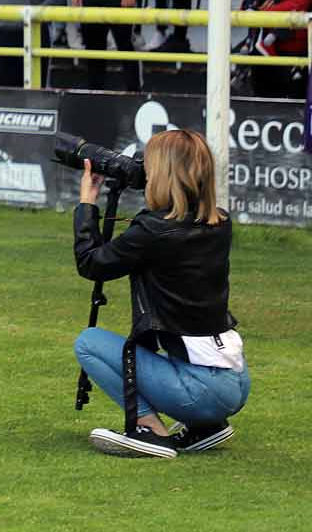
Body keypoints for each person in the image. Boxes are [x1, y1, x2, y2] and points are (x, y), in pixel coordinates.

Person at [73, 129, 250, 459]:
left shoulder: (154, 231)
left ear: (163, 174)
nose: (143, 170)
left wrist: (86, 204)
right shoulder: (219, 222)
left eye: (148, 165)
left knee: (89, 343)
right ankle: (205, 426)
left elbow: (92, 264)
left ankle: (150, 429)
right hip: (237, 381)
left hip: (202, 389)